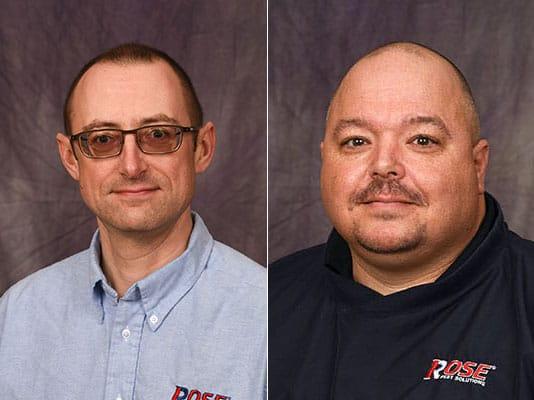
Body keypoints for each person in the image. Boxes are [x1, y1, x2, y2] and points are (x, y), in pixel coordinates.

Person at [269, 41, 534, 399]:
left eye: (422, 140)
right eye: (356, 141)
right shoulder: (263, 300)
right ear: (325, 160)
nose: (384, 164)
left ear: (477, 166)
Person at [0, 43, 266, 400]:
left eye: (158, 135)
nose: (131, 165)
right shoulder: (16, 316)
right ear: (71, 158)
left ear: (202, 148)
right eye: (103, 139)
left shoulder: (269, 318)